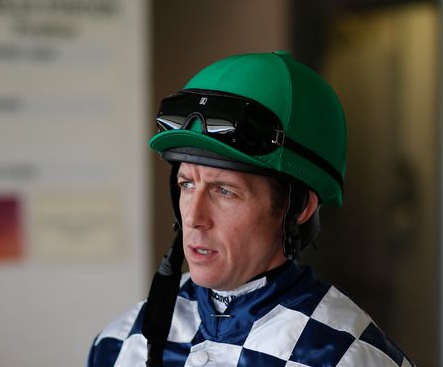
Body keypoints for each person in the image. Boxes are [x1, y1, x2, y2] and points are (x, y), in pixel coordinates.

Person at [87, 51, 413, 366]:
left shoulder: (349, 358)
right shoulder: (117, 345)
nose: (194, 218)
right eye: (187, 184)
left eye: (224, 191)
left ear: (298, 208)